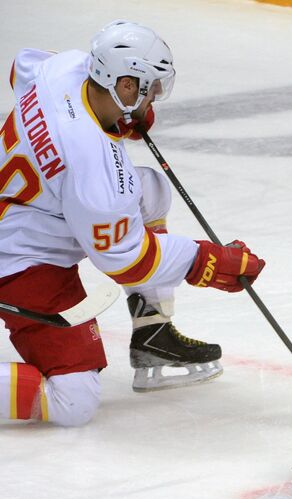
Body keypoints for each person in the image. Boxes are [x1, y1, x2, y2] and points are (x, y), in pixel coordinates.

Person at [0, 20, 264, 426]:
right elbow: (126, 260)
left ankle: (152, 331)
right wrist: (206, 262)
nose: (154, 96)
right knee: (74, 401)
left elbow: (23, 66)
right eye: (150, 87)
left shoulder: (65, 69)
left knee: (151, 190)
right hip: (20, 261)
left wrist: (115, 119)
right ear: (125, 85)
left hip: (35, 209)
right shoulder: (95, 171)